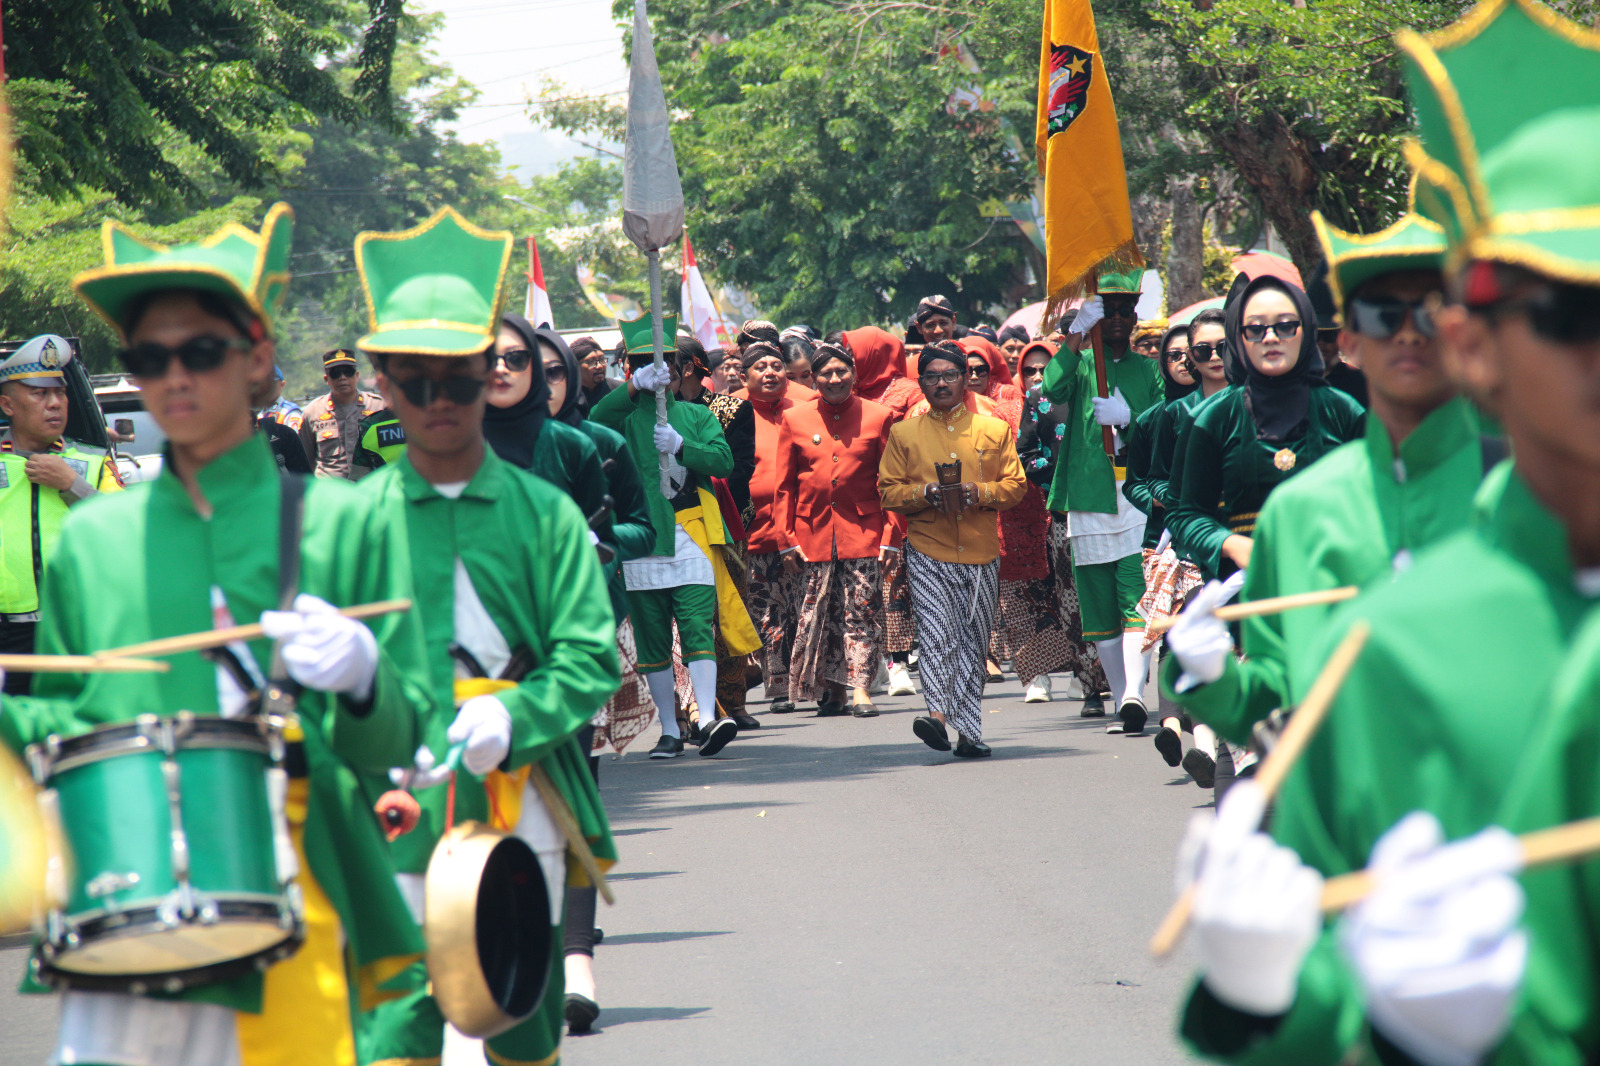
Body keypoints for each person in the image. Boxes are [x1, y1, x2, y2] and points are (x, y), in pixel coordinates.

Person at [1172, 11, 1600, 1061]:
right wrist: (1276, 996)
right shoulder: (1392, 638)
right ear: (1480, 345)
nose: (1405, 333)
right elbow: (1266, 690)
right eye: (1570, 311)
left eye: (1424, 305)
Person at [10, 202, 430, 1066]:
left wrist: (360, 677)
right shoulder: (95, 540)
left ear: (258, 359)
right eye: (147, 358)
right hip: (127, 898)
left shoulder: (343, 525)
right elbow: (54, 730)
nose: (173, 377)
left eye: (200, 351)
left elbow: (404, 734)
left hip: (300, 886)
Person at [349, 206, 619, 1066]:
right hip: (392, 798)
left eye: (458, 378)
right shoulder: (344, 525)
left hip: (522, 787)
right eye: (413, 380)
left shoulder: (544, 514)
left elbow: (590, 657)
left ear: (490, 379)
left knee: (515, 1014)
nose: (438, 400)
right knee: (397, 1024)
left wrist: (516, 719)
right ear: (383, 387)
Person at [1165, 209, 1465, 746]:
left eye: (1428, 315)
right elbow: (1187, 512)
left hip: (1363, 612)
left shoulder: (1348, 414)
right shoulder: (1221, 426)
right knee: (1272, 746)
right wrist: (1229, 551)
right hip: (1246, 584)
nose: (1408, 338)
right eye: (1256, 329)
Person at [590, 315, 758, 758]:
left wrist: (682, 445)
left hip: (691, 534)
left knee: (698, 625)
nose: (655, 368)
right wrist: (631, 389)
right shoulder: (621, 419)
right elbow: (592, 418)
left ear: (681, 369)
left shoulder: (696, 414)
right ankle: (669, 729)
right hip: (642, 539)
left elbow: (723, 463)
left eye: (662, 361)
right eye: (644, 362)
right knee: (652, 639)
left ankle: (705, 718)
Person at [879, 341, 1026, 757]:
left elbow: (1015, 486)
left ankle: (969, 733)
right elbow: (887, 491)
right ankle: (938, 717)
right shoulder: (904, 433)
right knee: (938, 633)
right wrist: (925, 492)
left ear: (965, 379)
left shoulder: (993, 429)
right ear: (920, 382)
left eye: (949, 375)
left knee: (973, 640)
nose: (940, 383)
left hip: (980, 551)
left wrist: (976, 492)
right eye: (931, 376)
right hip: (927, 547)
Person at [1168, 276, 1366, 581]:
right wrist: (1232, 545)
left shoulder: (1343, 410)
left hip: (1334, 582)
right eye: (1256, 328)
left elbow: (1376, 500)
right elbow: (1186, 514)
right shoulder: (1212, 418)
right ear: (1239, 336)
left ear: (1307, 330)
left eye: (1285, 325)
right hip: (1246, 591)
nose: (1271, 338)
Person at [1039, 267, 1164, 735]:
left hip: (1134, 494)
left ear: (1135, 316)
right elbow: (1050, 389)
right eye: (1105, 309)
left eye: (1122, 310)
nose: (1115, 318)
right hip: (1089, 496)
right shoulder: (1084, 360)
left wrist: (1131, 419)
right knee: (1099, 606)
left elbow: (1161, 425)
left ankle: (1134, 691)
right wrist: (1073, 338)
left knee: (1136, 595)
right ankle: (1121, 702)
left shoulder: (1148, 369)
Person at [774, 342, 896, 717]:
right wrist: (785, 540)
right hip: (811, 535)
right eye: (825, 373)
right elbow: (784, 486)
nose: (834, 379)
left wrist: (892, 537)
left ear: (855, 375)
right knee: (820, 617)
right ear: (813, 378)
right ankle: (834, 691)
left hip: (865, 532)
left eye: (842, 371)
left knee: (861, 612)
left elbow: (893, 482)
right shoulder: (795, 419)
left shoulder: (879, 416)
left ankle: (860, 689)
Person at [0, 335, 122, 694]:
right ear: (8, 404)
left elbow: (122, 530)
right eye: (40, 394)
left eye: (61, 393)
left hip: (76, 629)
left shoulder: (91, 462)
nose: (55, 404)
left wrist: (72, 484)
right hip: (7, 636)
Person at [1015, 339, 1114, 715]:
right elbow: (1027, 454)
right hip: (1067, 513)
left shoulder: (1113, 383)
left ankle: (1125, 686)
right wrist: (1064, 481)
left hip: (1118, 508)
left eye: (1091, 338)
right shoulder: (1040, 396)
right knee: (1075, 602)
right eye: (1077, 338)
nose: (1084, 345)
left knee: (1119, 597)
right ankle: (1090, 686)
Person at [737, 340, 807, 712]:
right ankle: (778, 685)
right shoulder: (731, 413)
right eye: (759, 367)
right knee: (766, 613)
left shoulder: (807, 408)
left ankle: (811, 683)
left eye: (776, 365)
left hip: (802, 532)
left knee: (803, 608)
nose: (770, 372)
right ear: (744, 377)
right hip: (755, 532)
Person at [297, 348, 385, 479]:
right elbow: (305, 460)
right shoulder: (312, 412)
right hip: (330, 493)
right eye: (335, 373)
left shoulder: (379, 406)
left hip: (369, 489)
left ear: (356, 376)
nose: (342, 378)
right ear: (326, 379)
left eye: (348, 372)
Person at [570, 334, 614, 417]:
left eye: (602, 360)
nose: (600, 366)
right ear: (575, 366)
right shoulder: (567, 396)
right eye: (591, 361)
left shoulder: (617, 390)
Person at [260, 363, 303, 430]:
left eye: (272, 384)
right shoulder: (260, 414)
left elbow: (296, 438)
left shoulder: (290, 412)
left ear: (282, 385)